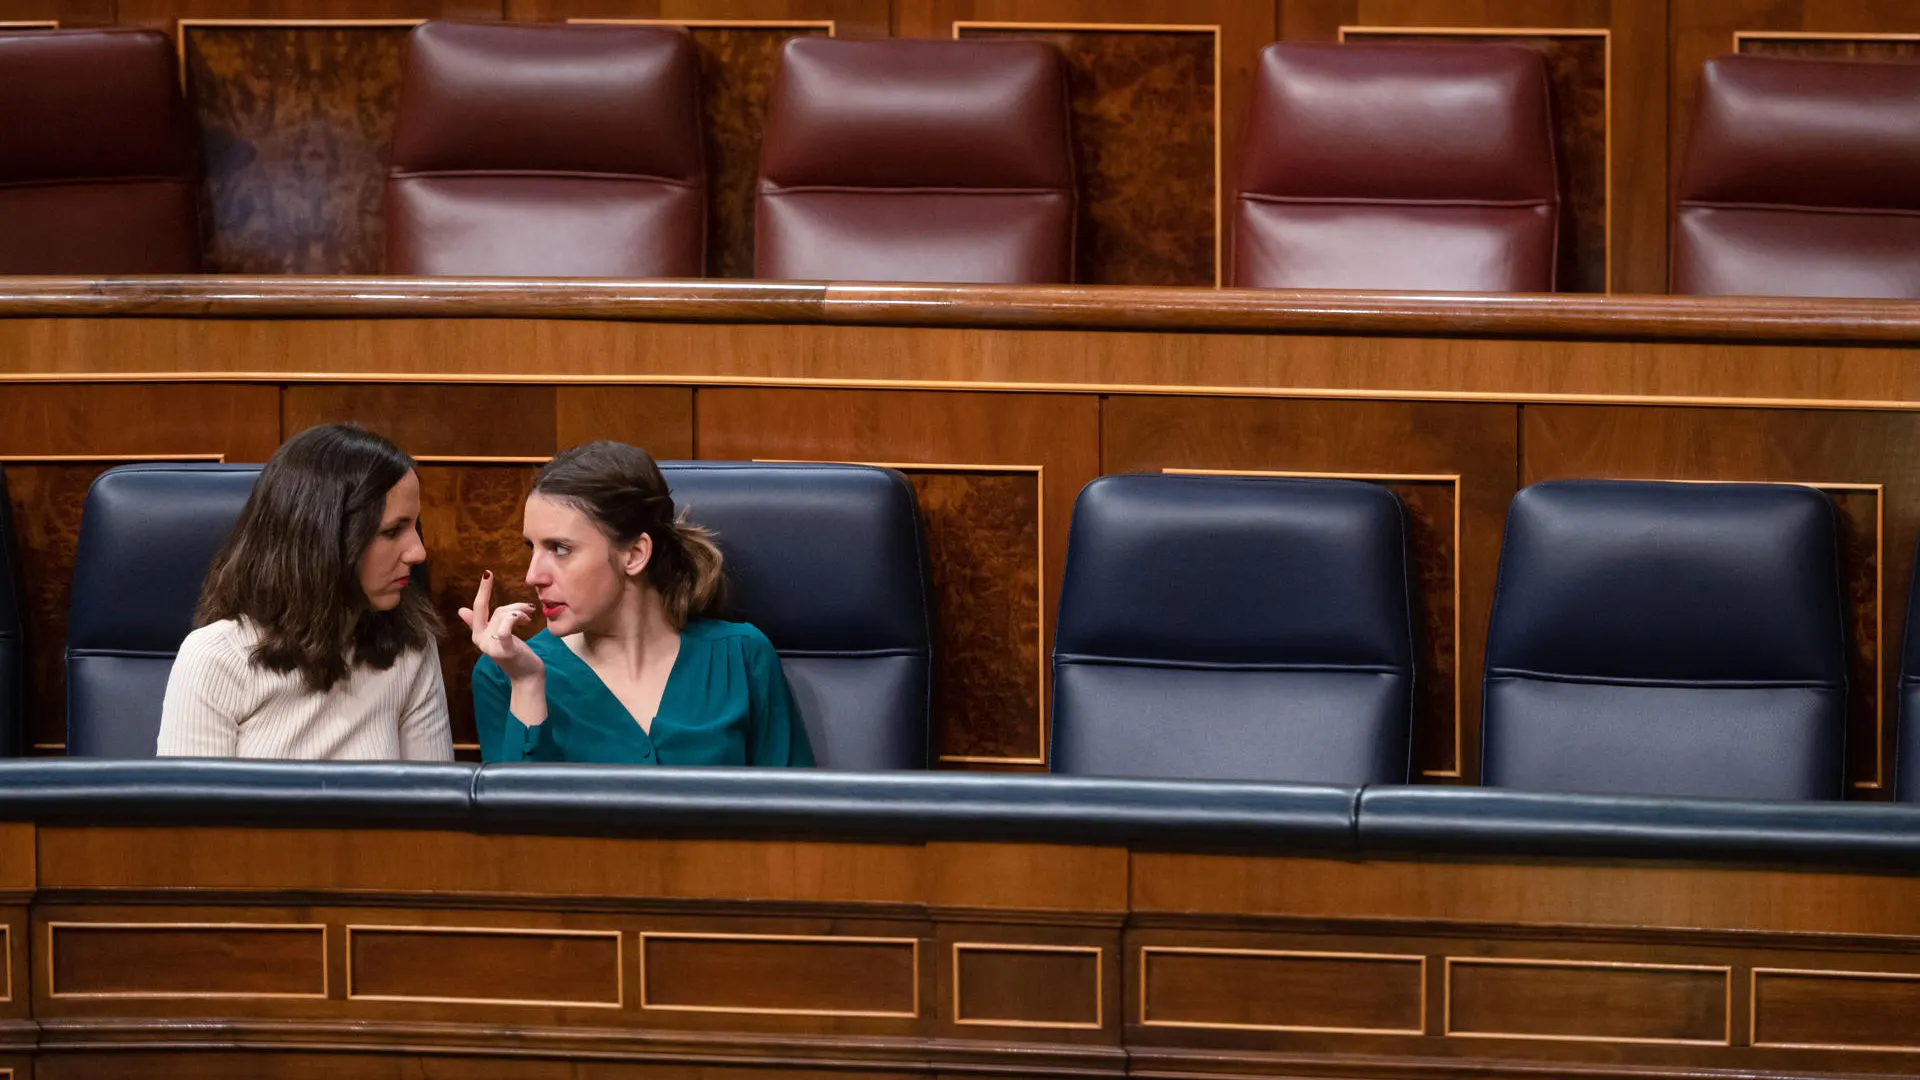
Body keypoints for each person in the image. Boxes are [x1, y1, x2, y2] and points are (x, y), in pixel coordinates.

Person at [465, 441, 813, 766]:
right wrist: (527, 685)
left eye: (559, 549)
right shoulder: (504, 675)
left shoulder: (741, 656)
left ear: (633, 554)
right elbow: (521, 826)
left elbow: (800, 817)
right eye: (533, 548)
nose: (532, 576)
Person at [157, 423, 453, 760]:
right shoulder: (214, 659)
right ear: (325, 541)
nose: (418, 552)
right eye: (392, 531)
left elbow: (431, 806)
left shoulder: (410, 645)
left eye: (414, 526)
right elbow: (190, 812)